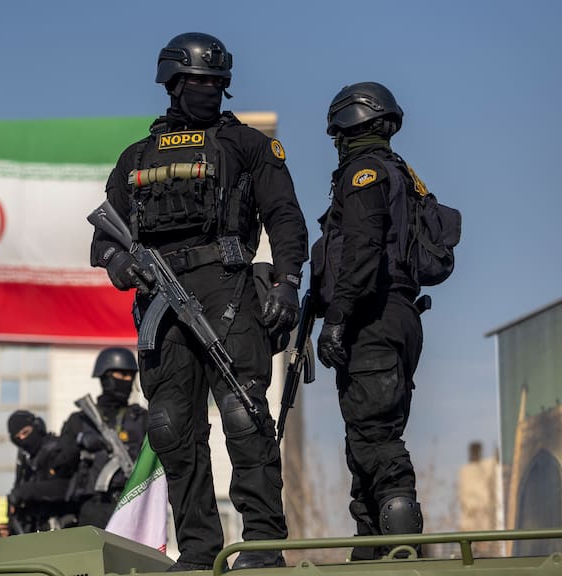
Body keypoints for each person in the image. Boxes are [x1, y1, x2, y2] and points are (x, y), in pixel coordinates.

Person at [90, 32, 308, 570]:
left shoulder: (248, 145)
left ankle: (260, 547)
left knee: (243, 413)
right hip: (160, 301)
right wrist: (123, 264)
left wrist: (286, 282)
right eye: (200, 82)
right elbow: (103, 242)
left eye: (218, 83)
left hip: (228, 285)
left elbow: (284, 216)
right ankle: (200, 551)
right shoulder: (135, 158)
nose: (211, 91)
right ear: (173, 83)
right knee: (168, 426)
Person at [311, 81, 425, 559]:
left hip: (372, 319)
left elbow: (362, 252)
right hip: (397, 317)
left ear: (351, 126)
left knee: (377, 440)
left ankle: (401, 552)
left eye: (338, 134)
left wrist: (336, 318)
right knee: (364, 440)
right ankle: (371, 552)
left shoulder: (364, 173)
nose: (336, 144)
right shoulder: (401, 174)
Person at [60, 347, 147, 529]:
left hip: (133, 504)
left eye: (129, 376)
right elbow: (62, 465)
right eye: (120, 375)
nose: (126, 380)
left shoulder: (141, 419)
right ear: (105, 377)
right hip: (93, 507)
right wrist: (81, 440)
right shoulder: (80, 421)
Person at [6, 410, 78, 534]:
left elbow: (68, 487)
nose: (23, 439)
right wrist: (11, 530)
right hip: (40, 535)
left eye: (26, 432)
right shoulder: (26, 465)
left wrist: (29, 491)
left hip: (67, 528)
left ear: (37, 426)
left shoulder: (58, 449)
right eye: (18, 438)